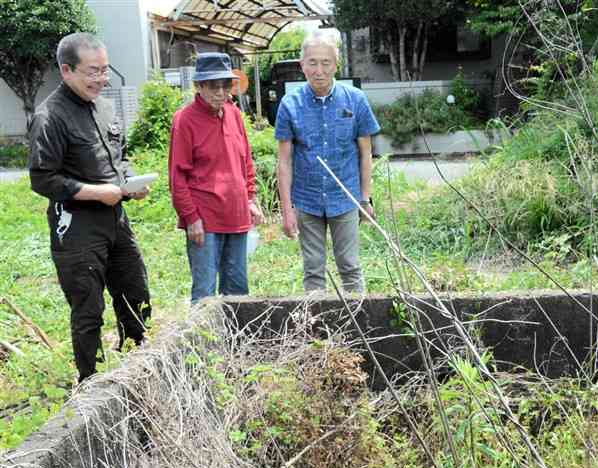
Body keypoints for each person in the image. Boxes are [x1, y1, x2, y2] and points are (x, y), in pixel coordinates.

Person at [28, 33, 151, 383]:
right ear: (66, 71)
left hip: (116, 219)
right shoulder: (49, 117)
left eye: (104, 70)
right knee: (88, 308)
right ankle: (91, 382)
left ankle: (138, 366)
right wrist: (97, 193)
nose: (102, 78)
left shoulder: (106, 106)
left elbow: (119, 157)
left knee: (135, 293)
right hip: (78, 227)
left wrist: (130, 183)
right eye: (92, 72)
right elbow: (42, 179)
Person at [274, 31, 380, 293]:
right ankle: (316, 330)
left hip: (345, 197)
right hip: (307, 200)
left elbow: (366, 153)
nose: (318, 70)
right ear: (302, 65)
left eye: (325, 63)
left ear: (336, 65)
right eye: (312, 62)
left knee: (350, 266)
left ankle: (358, 326)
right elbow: (284, 161)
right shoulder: (290, 104)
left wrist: (365, 199)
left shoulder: (355, 100)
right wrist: (287, 210)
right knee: (313, 269)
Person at [168, 52, 264, 304]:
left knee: (238, 292)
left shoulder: (233, 114)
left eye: (225, 85)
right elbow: (177, 176)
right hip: (205, 220)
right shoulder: (184, 120)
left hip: (237, 214)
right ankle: (204, 344)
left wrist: (251, 198)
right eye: (212, 86)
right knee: (205, 294)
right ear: (199, 86)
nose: (220, 92)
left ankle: (236, 343)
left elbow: (246, 161)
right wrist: (191, 218)